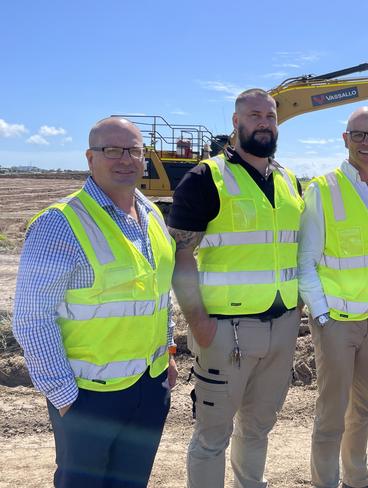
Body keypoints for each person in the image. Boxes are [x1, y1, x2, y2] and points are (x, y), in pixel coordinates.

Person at [12, 117, 177, 488]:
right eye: (112, 150)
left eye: (134, 150)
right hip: (89, 396)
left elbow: (157, 293)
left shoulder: (151, 214)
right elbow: (31, 318)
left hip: (149, 388)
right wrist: (66, 399)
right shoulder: (60, 223)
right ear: (90, 158)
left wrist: (167, 352)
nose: (125, 159)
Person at [168, 88, 304, 488]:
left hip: (280, 328)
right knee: (212, 437)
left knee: (258, 429)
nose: (264, 122)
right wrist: (200, 325)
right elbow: (180, 258)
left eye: (271, 116)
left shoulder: (288, 180)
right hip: (225, 331)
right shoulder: (206, 178)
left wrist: (295, 314)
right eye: (255, 115)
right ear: (236, 122)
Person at [298, 106, 368, 488]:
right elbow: (305, 262)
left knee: (363, 408)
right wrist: (322, 317)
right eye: (358, 135)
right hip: (336, 322)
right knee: (331, 412)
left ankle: (356, 479)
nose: (366, 142)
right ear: (345, 140)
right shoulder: (322, 190)